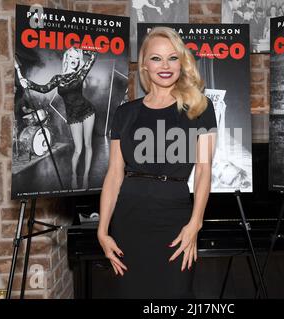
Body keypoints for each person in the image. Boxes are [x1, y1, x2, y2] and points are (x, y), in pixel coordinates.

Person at [98, 27, 217, 298]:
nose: (165, 66)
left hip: (175, 220)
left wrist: (195, 224)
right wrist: (102, 232)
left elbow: (203, 169)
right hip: (129, 221)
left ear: (181, 63)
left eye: (172, 58)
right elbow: (114, 174)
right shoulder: (124, 113)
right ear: (144, 65)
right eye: (156, 58)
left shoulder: (200, 107)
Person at [17, 47, 97, 190]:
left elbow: (93, 56)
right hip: (73, 115)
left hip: (87, 111)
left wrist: (81, 50)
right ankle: (73, 175)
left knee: (88, 145)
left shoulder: (80, 74)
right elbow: (44, 88)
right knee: (78, 149)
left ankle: (85, 177)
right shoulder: (58, 79)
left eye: (76, 58)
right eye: (71, 57)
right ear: (67, 59)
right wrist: (28, 83)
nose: (74, 60)